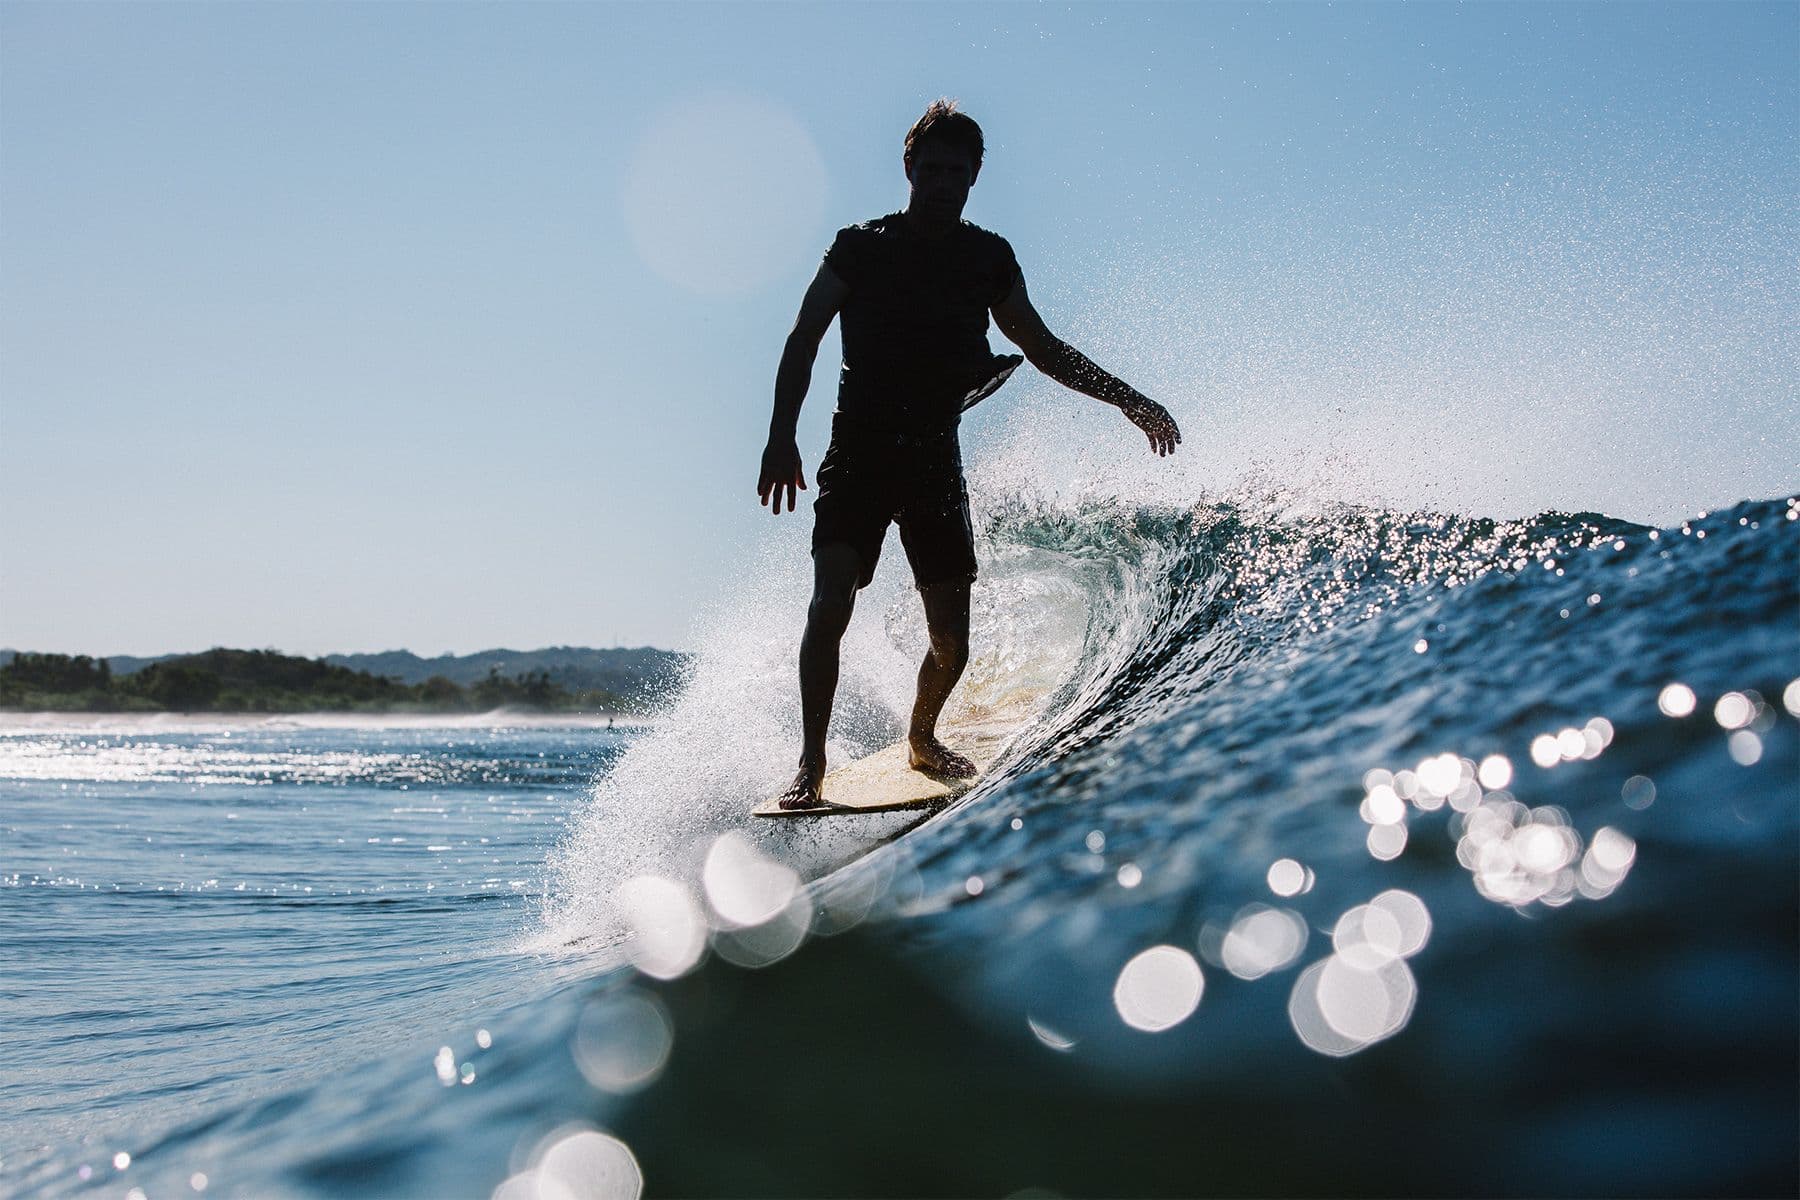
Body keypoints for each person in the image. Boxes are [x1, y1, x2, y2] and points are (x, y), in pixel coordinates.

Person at [757, 99, 1181, 809]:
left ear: (976, 174)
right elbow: (804, 338)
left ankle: (921, 737)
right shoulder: (860, 247)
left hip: (931, 461)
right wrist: (780, 437)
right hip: (857, 454)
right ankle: (810, 765)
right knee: (830, 602)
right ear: (909, 169)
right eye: (932, 169)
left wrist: (1129, 399)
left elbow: (1041, 350)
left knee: (951, 642)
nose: (944, 182)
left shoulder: (987, 258)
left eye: (958, 170)